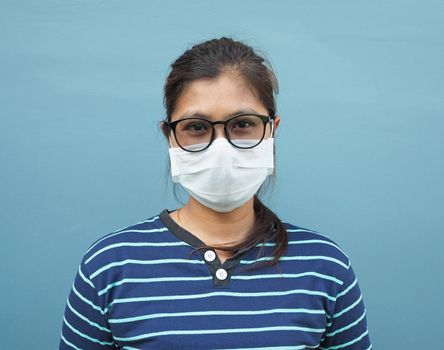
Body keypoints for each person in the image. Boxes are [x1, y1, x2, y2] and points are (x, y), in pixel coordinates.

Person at [59, 37, 372, 349]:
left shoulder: (326, 266)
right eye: (196, 127)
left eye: (243, 124)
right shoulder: (109, 266)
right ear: (170, 137)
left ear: (272, 130)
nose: (221, 148)